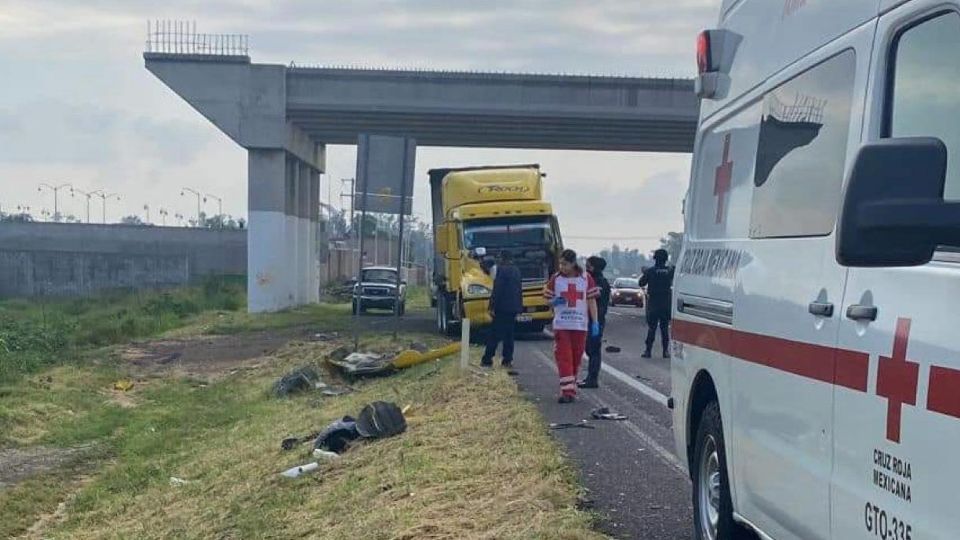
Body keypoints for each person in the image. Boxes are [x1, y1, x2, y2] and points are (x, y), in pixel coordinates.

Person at [544, 249, 600, 403]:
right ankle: (567, 392)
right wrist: (554, 302)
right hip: (562, 325)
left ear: (573, 263)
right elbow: (547, 300)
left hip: (580, 325)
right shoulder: (556, 279)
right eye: (560, 264)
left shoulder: (585, 278)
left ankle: (570, 386)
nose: (562, 267)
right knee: (564, 357)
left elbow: (591, 301)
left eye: (565, 264)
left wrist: (595, 321)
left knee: (576, 357)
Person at [481, 250, 523, 368]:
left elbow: (497, 290)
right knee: (509, 335)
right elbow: (519, 290)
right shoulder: (516, 270)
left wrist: (492, 306)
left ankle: (487, 359)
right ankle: (507, 360)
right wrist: (519, 307)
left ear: (502, 258)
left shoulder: (500, 270)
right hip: (513, 308)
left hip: (502, 308)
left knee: (494, 334)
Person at [579, 256, 611, 389]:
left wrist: (596, 322)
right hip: (590, 319)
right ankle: (590, 378)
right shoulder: (591, 280)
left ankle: (592, 379)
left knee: (593, 349)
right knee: (589, 349)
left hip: (595, 320)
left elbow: (599, 303)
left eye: (588, 265)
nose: (586, 267)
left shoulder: (599, 282)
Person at [639, 248, 675, 359]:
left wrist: (645, 273)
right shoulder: (669, 271)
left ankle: (648, 351)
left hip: (654, 304)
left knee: (652, 328)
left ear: (655, 258)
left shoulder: (650, 271)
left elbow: (641, 283)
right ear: (666, 259)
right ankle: (665, 351)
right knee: (664, 329)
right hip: (666, 304)